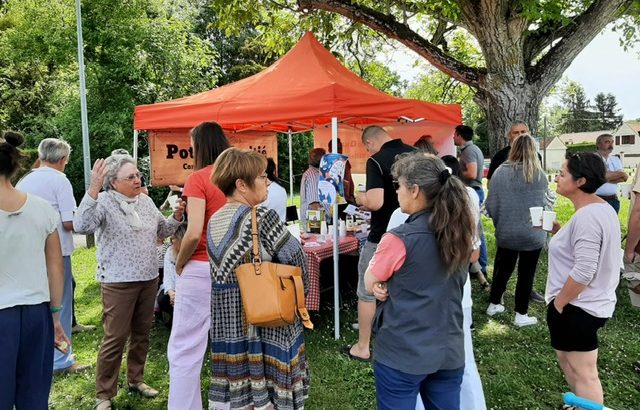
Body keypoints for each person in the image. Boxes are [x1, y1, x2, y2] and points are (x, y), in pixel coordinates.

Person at [74, 152, 184, 410]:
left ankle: (136, 379)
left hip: (148, 278)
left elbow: (162, 230)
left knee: (141, 334)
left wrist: (177, 216)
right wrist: (93, 188)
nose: (137, 180)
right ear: (113, 182)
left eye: (138, 175)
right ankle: (104, 394)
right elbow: (81, 225)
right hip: (118, 281)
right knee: (115, 338)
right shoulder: (103, 201)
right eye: (131, 177)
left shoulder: (145, 201)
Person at [365, 151, 474, 409]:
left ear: (414, 190)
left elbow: (370, 280)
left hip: (403, 351)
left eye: (398, 185)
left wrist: (381, 284)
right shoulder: (460, 232)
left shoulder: (399, 238)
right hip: (448, 348)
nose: (396, 191)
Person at [207, 147, 310, 409]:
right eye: (262, 177)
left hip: (230, 326)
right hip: (267, 319)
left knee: (246, 400)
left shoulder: (214, 220)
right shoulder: (262, 217)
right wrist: (301, 296)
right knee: (273, 397)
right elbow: (297, 260)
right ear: (241, 185)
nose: (268, 182)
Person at [0, 131, 70, 409]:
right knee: (34, 398)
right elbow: (56, 267)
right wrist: (56, 316)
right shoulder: (42, 209)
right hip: (37, 314)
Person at [545, 152, 620, 405]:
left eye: (562, 174)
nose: (556, 178)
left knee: (584, 374)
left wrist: (559, 304)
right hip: (585, 304)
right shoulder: (600, 208)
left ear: (580, 181)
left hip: (578, 306)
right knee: (571, 367)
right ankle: (578, 405)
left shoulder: (588, 216)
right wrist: (559, 232)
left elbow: (585, 271)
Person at [16, 137, 90, 373]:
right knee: (61, 305)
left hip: (29, 252)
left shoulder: (25, 180)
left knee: (37, 305)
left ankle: (36, 356)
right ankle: (61, 360)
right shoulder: (60, 180)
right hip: (56, 252)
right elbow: (69, 222)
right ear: (62, 159)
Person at [169, 121, 229, 410]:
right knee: (229, 345)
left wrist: (179, 263)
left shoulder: (198, 179)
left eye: (192, 145)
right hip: (234, 269)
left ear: (200, 146)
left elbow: (193, 233)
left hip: (201, 267)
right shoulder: (239, 178)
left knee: (185, 349)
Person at [345, 125, 414, 361]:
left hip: (383, 236)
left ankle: (363, 347)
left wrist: (361, 198)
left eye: (366, 148)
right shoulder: (416, 154)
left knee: (367, 290)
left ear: (370, 143)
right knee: (404, 290)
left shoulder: (376, 161)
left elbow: (375, 202)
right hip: (417, 234)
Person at [484, 135, 548, 327]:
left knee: (502, 269)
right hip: (533, 233)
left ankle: (494, 303)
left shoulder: (499, 173)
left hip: (507, 231)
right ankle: (521, 313)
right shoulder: (539, 175)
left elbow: (491, 205)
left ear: (513, 149)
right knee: (526, 273)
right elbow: (545, 204)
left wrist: (501, 222)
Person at [453, 125, 490, 288]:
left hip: (472, 191)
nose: (453, 138)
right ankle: (479, 265)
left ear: (459, 136)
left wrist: (455, 173)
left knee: (475, 230)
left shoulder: (468, 151)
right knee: (475, 229)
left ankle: (481, 266)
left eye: (454, 135)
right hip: (474, 191)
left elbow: (472, 173)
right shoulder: (472, 149)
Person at [156, 224, 185, 329]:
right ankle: (175, 317)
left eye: (174, 238)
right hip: (174, 289)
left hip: (186, 289)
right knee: (163, 299)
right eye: (171, 238)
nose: (172, 241)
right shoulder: (169, 251)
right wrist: (171, 293)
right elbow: (168, 276)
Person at [594, 133, 627, 213]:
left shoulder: (615, 159)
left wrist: (603, 177)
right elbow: (598, 177)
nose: (611, 144)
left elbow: (624, 177)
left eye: (612, 142)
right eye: (607, 142)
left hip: (613, 200)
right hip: (596, 200)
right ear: (598, 144)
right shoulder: (592, 159)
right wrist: (617, 174)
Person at [300, 147, 326, 230]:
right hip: (316, 224)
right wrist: (320, 228)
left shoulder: (316, 173)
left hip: (317, 222)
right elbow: (314, 205)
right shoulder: (313, 175)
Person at [328, 138, 356, 203]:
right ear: (329, 149)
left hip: (347, 198)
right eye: (336, 148)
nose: (339, 150)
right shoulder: (327, 163)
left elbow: (350, 179)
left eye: (340, 148)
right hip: (333, 199)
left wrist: (352, 195)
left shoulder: (345, 162)